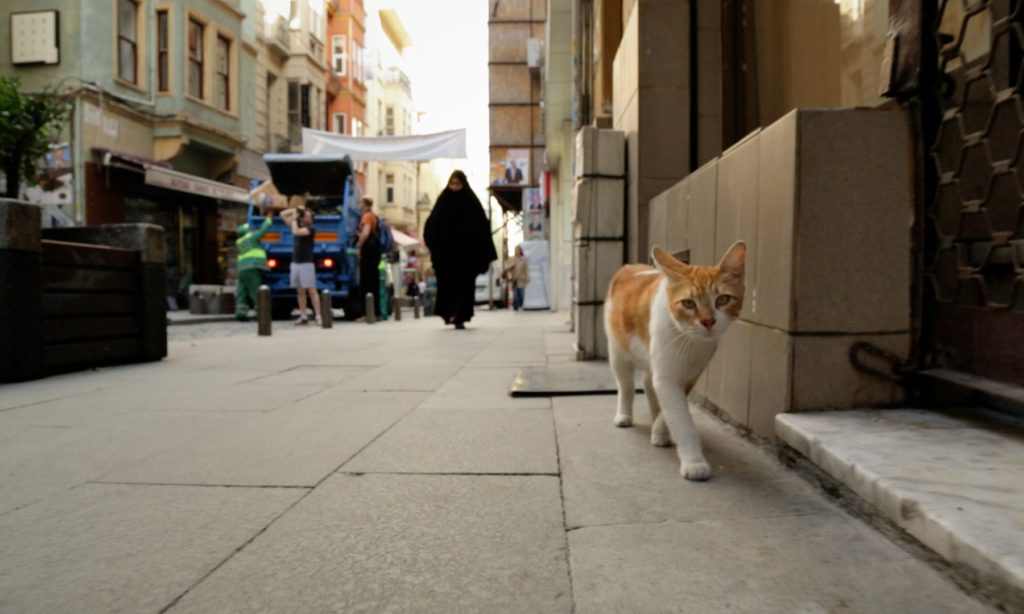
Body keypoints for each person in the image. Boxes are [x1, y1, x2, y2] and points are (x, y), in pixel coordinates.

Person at [423, 170, 497, 329]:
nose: (454, 187)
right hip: (446, 258)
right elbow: (432, 225)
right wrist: (435, 246)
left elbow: (481, 228)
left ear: (463, 185)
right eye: (452, 184)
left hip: (466, 259)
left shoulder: (471, 202)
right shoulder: (443, 201)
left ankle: (460, 317)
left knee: (464, 288)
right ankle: (448, 314)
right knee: (447, 287)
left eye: (458, 184)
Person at [281, 204, 322, 325]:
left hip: (306, 262)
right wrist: (296, 210)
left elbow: (295, 232)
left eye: (307, 214)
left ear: (311, 219)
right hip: (295, 262)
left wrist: (294, 219)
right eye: (304, 214)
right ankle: (303, 316)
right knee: (300, 290)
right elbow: (282, 215)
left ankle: (318, 315)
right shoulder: (297, 224)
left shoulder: (310, 228)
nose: (305, 215)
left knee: (311, 290)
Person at [233, 214, 273, 321]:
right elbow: (262, 231)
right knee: (256, 291)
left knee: (242, 291)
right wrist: (268, 219)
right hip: (252, 267)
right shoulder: (251, 237)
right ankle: (261, 314)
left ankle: (240, 314)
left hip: (242, 269)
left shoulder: (239, 242)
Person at [355, 196, 382, 320]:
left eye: (360, 202)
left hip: (368, 253)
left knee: (366, 284)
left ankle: (367, 314)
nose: (358, 204)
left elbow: (365, 233)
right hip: (374, 253)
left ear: (365, 204)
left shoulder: (366, 216)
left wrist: (359, 246)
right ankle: (376, 313)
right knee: (373, 283)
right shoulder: (373, 216)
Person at [504, 244, 530, 311]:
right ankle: (516, 307)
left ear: (520, 251)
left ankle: (521, 305)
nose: (517, 251)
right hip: (514, 279)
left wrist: (528, 277)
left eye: (518, 250)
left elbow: (526, 269)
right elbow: (506, 267)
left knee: (521, 294)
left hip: (522, 279)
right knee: (515, 294)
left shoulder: (523, 259)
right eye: (516, 250)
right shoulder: (512, 259)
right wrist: (513, 265)